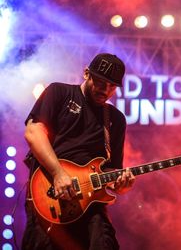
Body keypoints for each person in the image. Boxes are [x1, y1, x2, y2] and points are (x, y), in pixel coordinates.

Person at [21, 53, 135, 250]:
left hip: (90, 207)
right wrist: (58, 173)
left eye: (112, 86)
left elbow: (113, 170)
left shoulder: (116, 119)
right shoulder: (59, 92)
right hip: (50, 196)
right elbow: (33, 132)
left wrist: (121, 185)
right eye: (101, 82)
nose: (106, 90)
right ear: (86, 73)